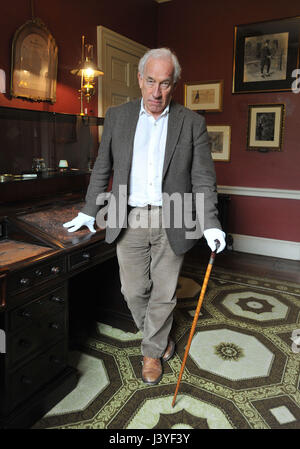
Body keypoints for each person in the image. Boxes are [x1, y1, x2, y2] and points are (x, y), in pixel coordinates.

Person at [63, 48, 226, 385]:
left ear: (174, 84)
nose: (156, 92)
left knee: (165, 293)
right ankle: (159, 336)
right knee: (133, 290)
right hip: (130, 216)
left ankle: (151, 351)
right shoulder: (117, 116)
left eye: (164, 84)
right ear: (140, 79)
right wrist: (88, 209)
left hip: (174, 216)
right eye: (150, 81)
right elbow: (102, 169)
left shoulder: (192, 123)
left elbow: (203, 179)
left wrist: (211, 223)